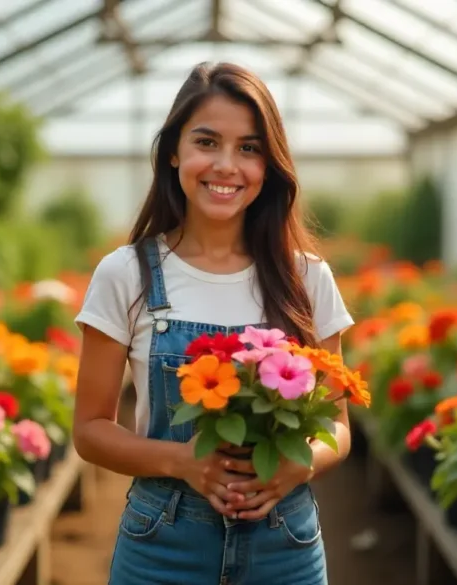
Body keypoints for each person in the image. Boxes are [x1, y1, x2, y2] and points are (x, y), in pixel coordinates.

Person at [72, 61, 355, 585]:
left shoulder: (306, 278)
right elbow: (90, 431)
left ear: (269, 165)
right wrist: (184, 462)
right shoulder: (126, 274)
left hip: (285, 546)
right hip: (162, 547)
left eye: (249, 148)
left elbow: (338, 427)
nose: (227, 165)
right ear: (174, 152)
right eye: (207, 142)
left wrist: (300, 464)